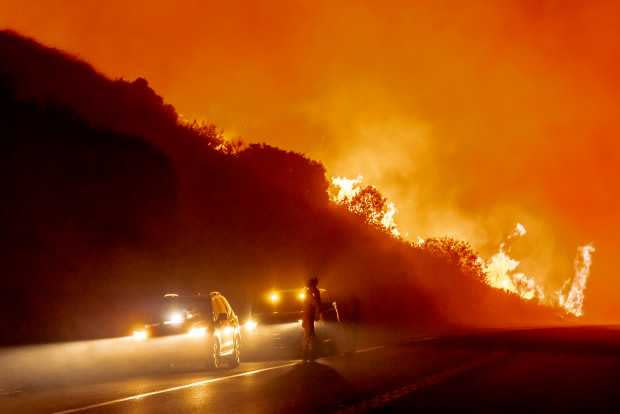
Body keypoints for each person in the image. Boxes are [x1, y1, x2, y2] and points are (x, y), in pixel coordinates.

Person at [302, 277, 321, 361]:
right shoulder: (311, 292)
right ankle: (309, 351)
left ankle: (308, 351)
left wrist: (317, 313)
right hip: (308, 314)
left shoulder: (314, 292)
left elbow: (315, 304)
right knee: (309, 332)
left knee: (309, 332)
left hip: (309, 314)